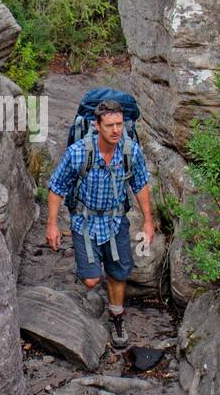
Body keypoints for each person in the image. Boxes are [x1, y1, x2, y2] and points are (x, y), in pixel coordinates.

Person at [46, 97, 154, 349]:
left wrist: (148, 221)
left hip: (115, 220)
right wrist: (52, 224)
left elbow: (140, 184)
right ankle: (89, 270)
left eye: (119, 124)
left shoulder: (130, 151)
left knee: (118, 273)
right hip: (84, 221)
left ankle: (117, 316)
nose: (116, 130)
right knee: (92, 280)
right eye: (110, 125)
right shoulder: (78, 153)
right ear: (97, 125)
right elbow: (56, 187)